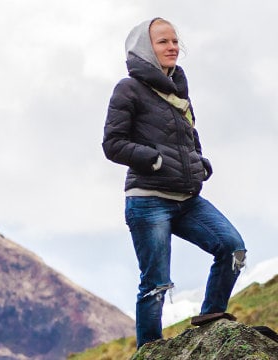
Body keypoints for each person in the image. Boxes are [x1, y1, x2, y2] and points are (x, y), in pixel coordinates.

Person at [103, 18, 246, 348]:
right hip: (148, 200)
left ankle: (211, 323)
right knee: (155, 284)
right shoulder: (128, 89)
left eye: (175, 41)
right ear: (145, 48)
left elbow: (189, 136)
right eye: (163, 42)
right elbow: (113, 144)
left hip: (187, 199)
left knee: (232, 248)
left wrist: (200, 162)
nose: (172, 47)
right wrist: (153, 159)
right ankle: (150, 351)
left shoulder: (178, 89)